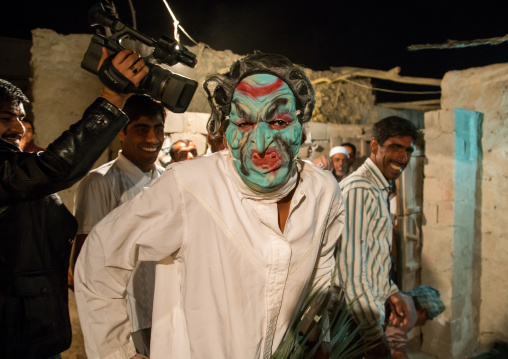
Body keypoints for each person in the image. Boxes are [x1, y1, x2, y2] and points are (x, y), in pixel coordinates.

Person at [74, 52, 345, 359]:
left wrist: (318, 337)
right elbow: (99, 256)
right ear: (226, 128)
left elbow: (322, 273)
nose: (260, 144)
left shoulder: (323, 191)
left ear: (300, 126)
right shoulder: (189, 186)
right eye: (243, 122)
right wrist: (118, 354)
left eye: (279, 121)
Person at [0, 48, 148, 359]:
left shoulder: (16, 171)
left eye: (20, 118)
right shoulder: (15, 173)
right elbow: (54, 167)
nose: (17, 128)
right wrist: (112, 98)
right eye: (4, 118)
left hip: (32, 334)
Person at [71, 94, 166, 357]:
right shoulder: (101, 182)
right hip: (127, 318)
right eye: (141, 129)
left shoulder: (168, 180)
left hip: (164, 312)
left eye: (158, 129)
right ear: (121, 134)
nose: (152, 139)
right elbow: (87, 262)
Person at [336, 116, 420, 358]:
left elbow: (372, 257)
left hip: (361, 317)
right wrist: (372, 335)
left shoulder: (377, 188)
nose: (403, 158)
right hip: (352, 320)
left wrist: (390, 290)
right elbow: (351, 272)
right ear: (374, 146)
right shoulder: (361, 190)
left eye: (408, 150)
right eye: (395, 147)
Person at [386, 285, 445, 359]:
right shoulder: (409, 312)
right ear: (423, 310)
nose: (423, 324)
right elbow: (396, 352)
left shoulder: (404, 298)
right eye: (426, 319)